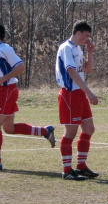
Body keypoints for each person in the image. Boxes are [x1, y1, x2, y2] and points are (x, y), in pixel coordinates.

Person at [0, 25, 56, 171]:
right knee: (9, 129)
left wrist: (3, 79)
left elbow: (21, 67)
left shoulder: (4, 49)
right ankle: (45, 131)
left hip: (7, 90)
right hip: (2, 91)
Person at [55, 21, 99, 181]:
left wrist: (90, 52)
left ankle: (81, 166)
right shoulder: (66, 48)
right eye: (85, 36)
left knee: (89, 129)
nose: (87, 39)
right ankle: (67, 170)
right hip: (70, 94)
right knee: (70, 133)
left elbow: (87, 69)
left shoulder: (78, 49)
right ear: (78, 33)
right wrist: (89, 92)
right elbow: (72, 72)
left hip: (79, 93)